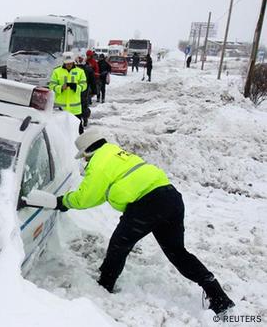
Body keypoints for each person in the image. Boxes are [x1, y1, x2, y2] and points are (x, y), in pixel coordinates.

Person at [23, 128, 236, 315]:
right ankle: (218, 296)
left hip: (147, 204)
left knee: (119, 243)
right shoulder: (117, 153)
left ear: (88, 152)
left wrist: (62, 202)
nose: (85, 161)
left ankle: (105, 284)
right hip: (171, 197)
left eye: (84, 157)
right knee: (178, 253)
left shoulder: (98, 163)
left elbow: (86, 197)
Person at [49, 55, 87, 134]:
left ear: (73, 62)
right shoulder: (56, 71)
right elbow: (52, 86)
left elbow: (84, 86)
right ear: (63, 62)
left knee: (78, 131)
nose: (69, 65)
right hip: (60, 108)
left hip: (75, 109)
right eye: (67, 63)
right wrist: (60, 88)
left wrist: (76, 87)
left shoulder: (80, 71)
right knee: (59, 131)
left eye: (70, 63)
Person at [77, 56, 96, 126]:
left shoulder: (73, 69)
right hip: (85, 90)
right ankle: (84, 119)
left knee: (79, 106)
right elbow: (93, 81)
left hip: (76, 90)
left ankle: (79, 120)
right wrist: (94, 91)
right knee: (84, 105)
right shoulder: (88, 69)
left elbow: (93, 81)